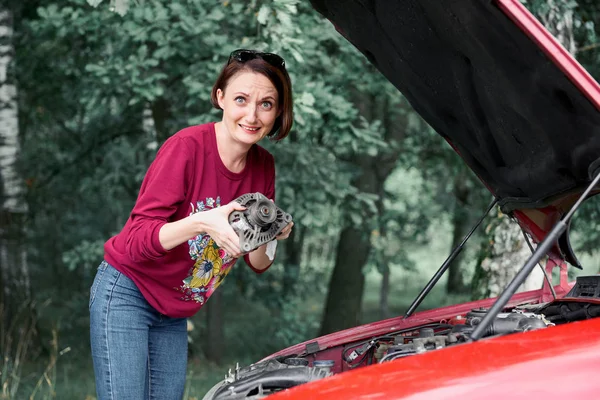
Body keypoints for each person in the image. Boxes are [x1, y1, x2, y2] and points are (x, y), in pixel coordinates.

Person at [89, 49, 294, 400]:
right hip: (128, 294)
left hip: (173, 310)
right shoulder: (186, 148)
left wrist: (270, 232)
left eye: (266, 104)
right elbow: (137, 239)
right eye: (241, 99)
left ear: (277, 113)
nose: (252, 115)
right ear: (221, 98)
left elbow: (257, 262)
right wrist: (202, 222)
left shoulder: (263, 166)